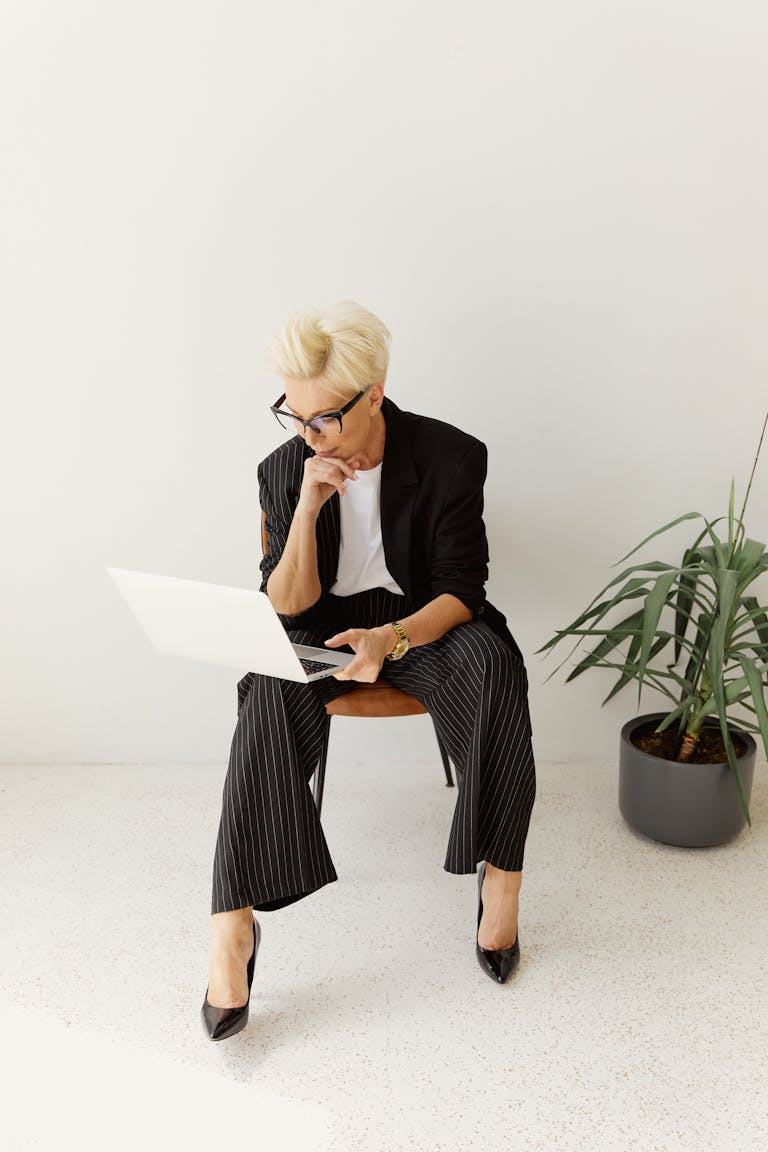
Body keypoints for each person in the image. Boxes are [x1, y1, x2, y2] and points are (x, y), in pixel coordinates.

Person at [201, 301, 536, 1039]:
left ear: (374, 396)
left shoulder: (450, 456)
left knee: (494, 668)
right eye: (293, 416)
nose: (306, 433)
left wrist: (390, 638)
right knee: (264, 683)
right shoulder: (287, 467)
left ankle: (501, 878)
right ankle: (233, 925)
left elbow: (462, 589)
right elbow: (285, 607)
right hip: (322, 623)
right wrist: (305, 507)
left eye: (324, 419)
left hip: (420, 618)